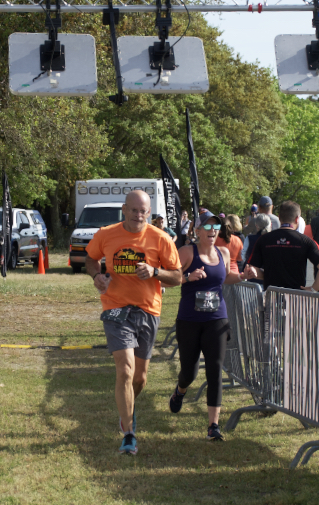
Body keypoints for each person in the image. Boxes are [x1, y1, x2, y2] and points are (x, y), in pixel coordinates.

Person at [85, 190, 182, 455]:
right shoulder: (107, 234)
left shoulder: (160, 239)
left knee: (139, 378)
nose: (138, 215)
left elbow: (177, 277)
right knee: (125, 370)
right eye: (134, 210)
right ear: (124, 209)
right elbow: (91, 259)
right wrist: (97, 277)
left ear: (149, 213)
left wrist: (155, 272)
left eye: (143, 211)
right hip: (116, 308)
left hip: (148, 310)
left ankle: (125, 408)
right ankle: (129, 433)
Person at [168, 211, 250, 441]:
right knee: (189, 371)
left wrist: (243, 276)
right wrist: (187, 277)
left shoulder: (223, 252)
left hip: (217, 319)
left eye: (216, 228)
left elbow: (226, 278)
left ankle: (213, 425)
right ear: (197, 231)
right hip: (190, 320)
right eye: (208, 227)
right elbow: (169, 278)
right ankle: (180, 390)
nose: (213, 231)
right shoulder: (186, 252)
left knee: (215, 369)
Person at [245, 201, 319, 291]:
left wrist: (270, 275)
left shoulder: (263, 239)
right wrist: (313, 289)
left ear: (279, 218)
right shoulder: (306, 241)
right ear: (297, 219)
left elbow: (253, 269)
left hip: (272, 296)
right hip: (296, 297)